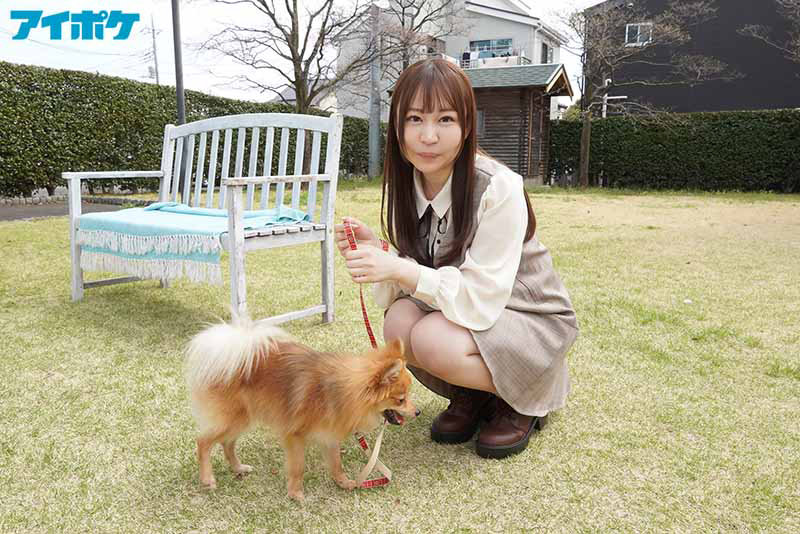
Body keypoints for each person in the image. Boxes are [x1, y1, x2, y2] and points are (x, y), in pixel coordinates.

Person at [334, 58, 578, 459]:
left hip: (527, 317)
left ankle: (522, 398)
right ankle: (474, 395)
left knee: (433, 339)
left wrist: (399, 268)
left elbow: (481, 295)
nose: (428, 136)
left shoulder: (499, 186)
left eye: (445, 119)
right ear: (397, 127)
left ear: (467, 126)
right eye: (415, 119)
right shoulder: (409, 181)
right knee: (399, 323)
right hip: (471, 315)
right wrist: (378, 250)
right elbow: (421, 267)